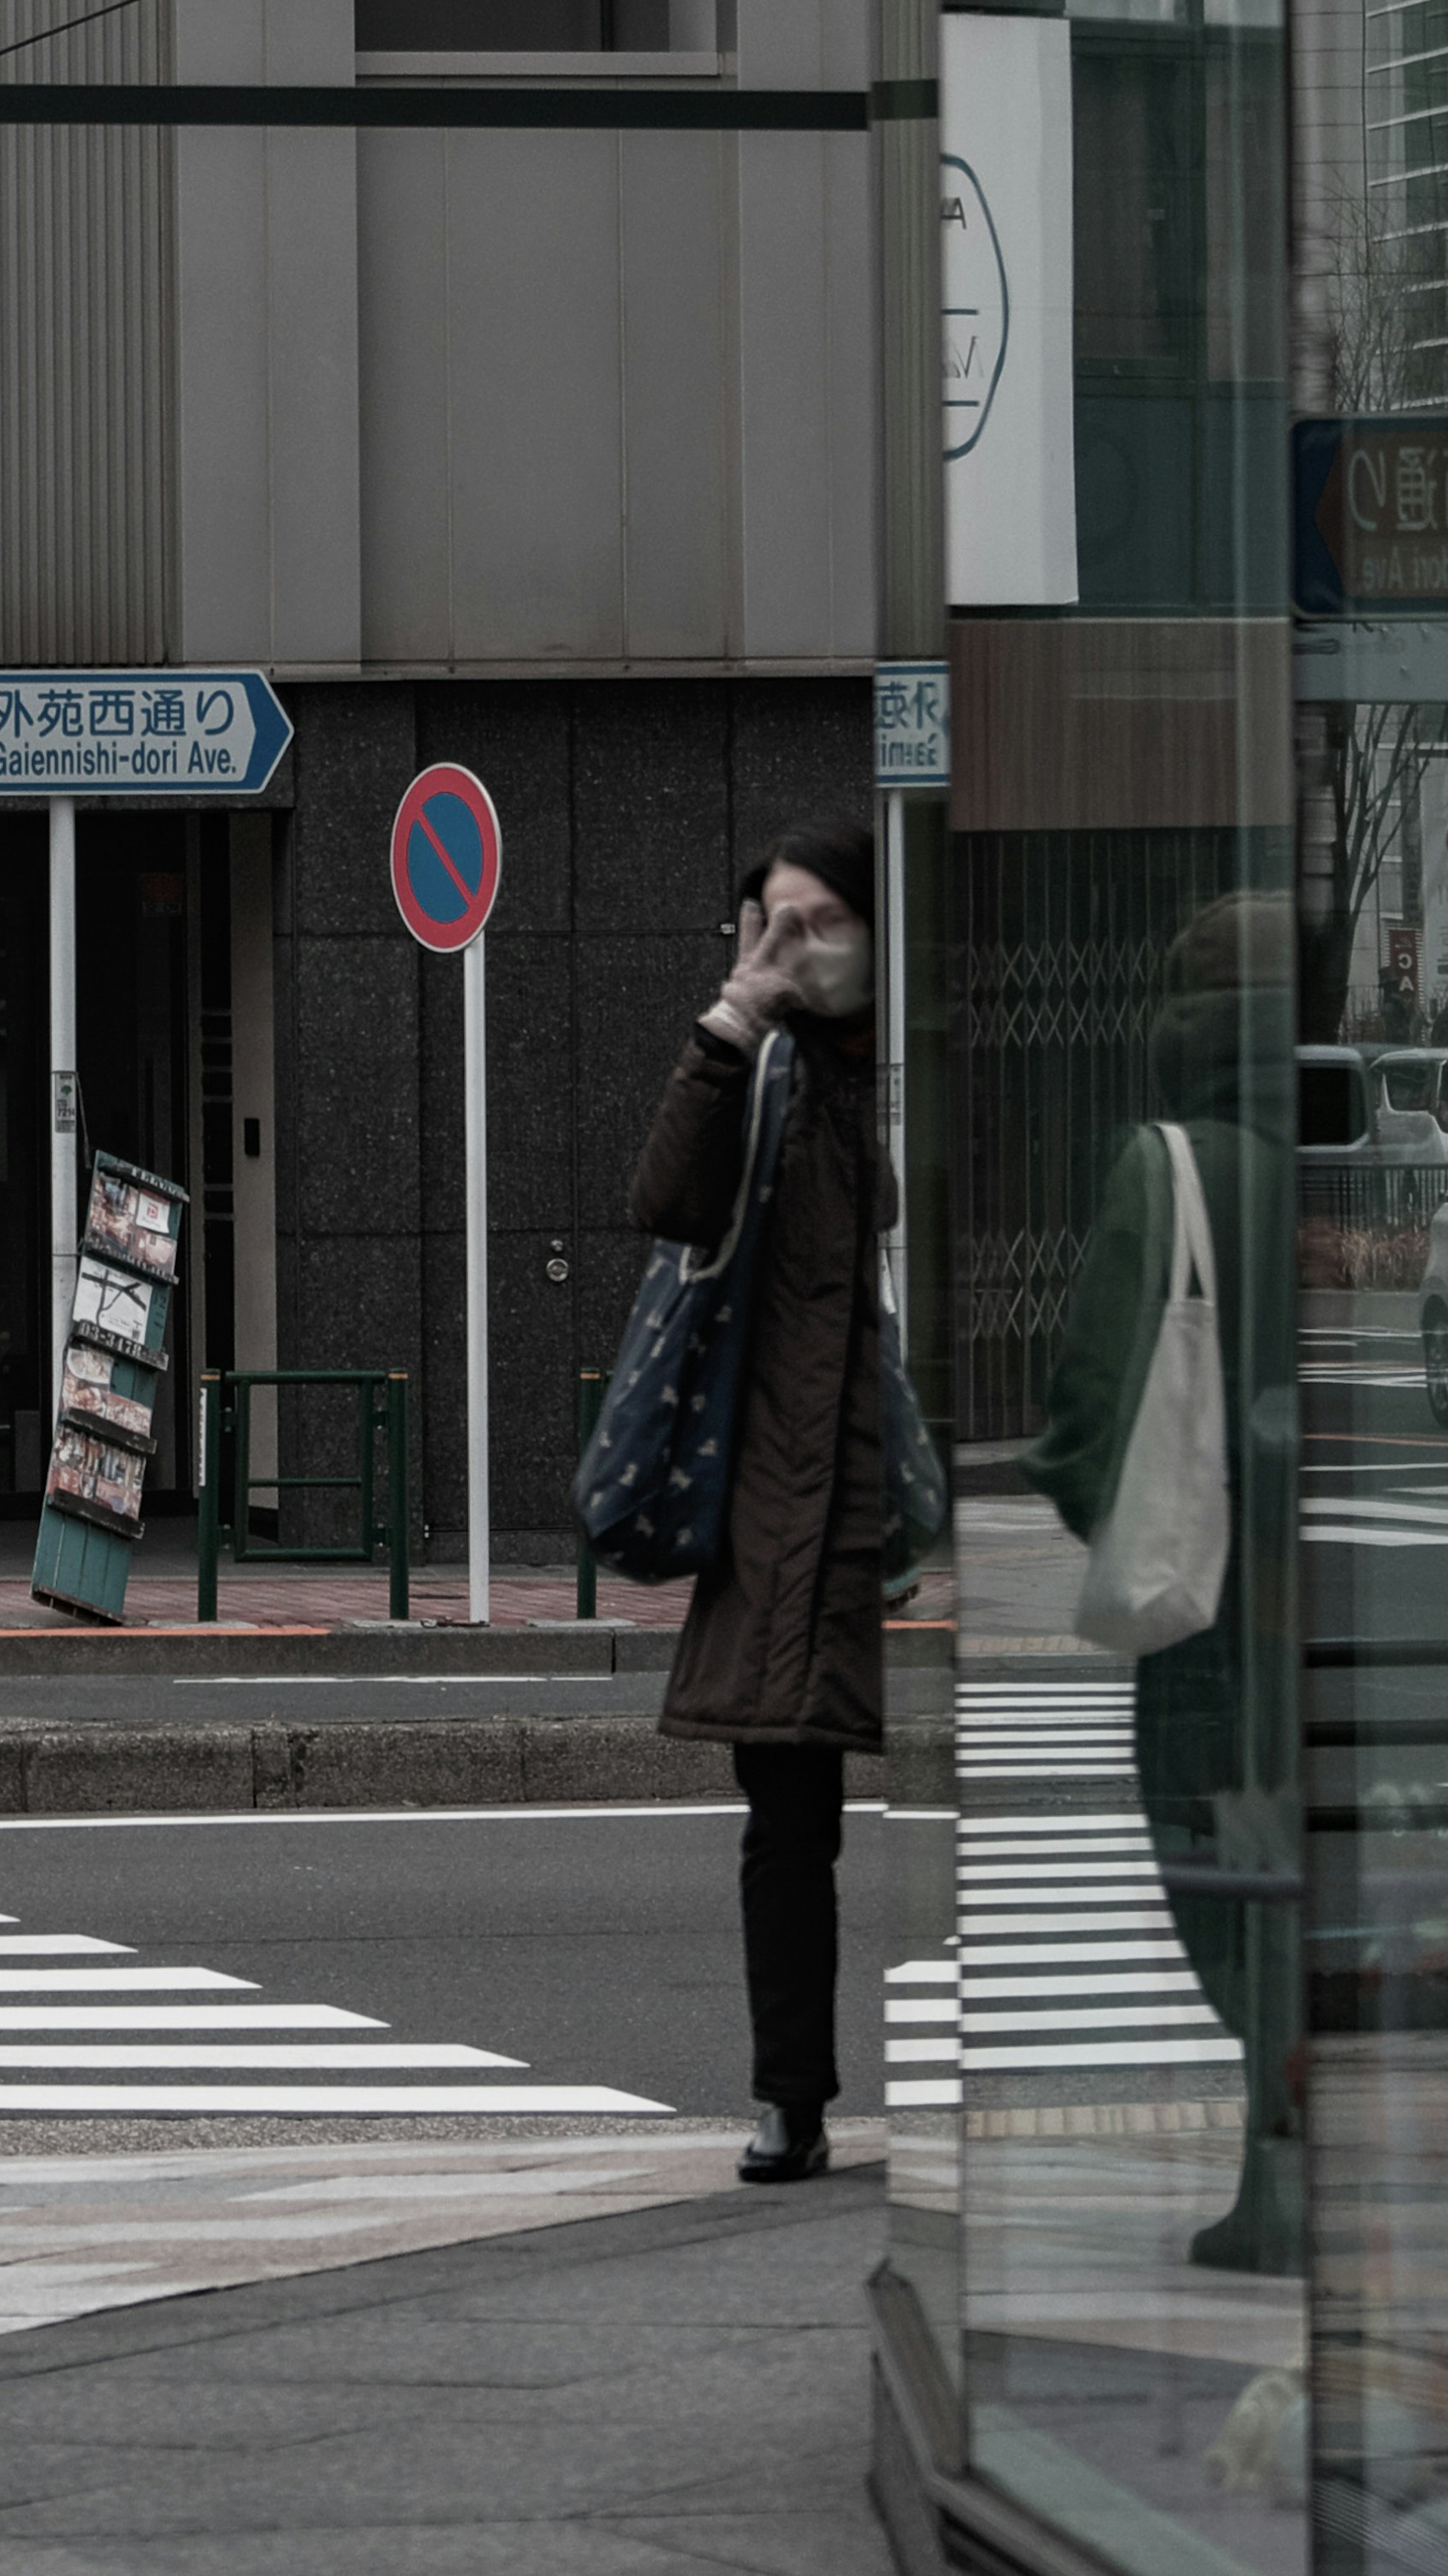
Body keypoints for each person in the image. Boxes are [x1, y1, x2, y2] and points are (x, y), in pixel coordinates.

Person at [1027, 886, 1300, 2273]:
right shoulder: (1379, 1161)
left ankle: (1284, 2173)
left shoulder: (1171, 1166)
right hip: (1340, 1613)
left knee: (1230, 1903)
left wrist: (1132, 1517)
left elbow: (1083, 1431)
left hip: (1211, 1636)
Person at [628, 823, 889, 2183]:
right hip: (798, 1506)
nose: (798, 950)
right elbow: (661, 1196)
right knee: (792, 1821)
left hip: (930, 1499)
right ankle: (793, 2093)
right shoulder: (763, 1076)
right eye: (771, 925)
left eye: (822, 922)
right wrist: (734, 1017)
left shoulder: (909, 1069)